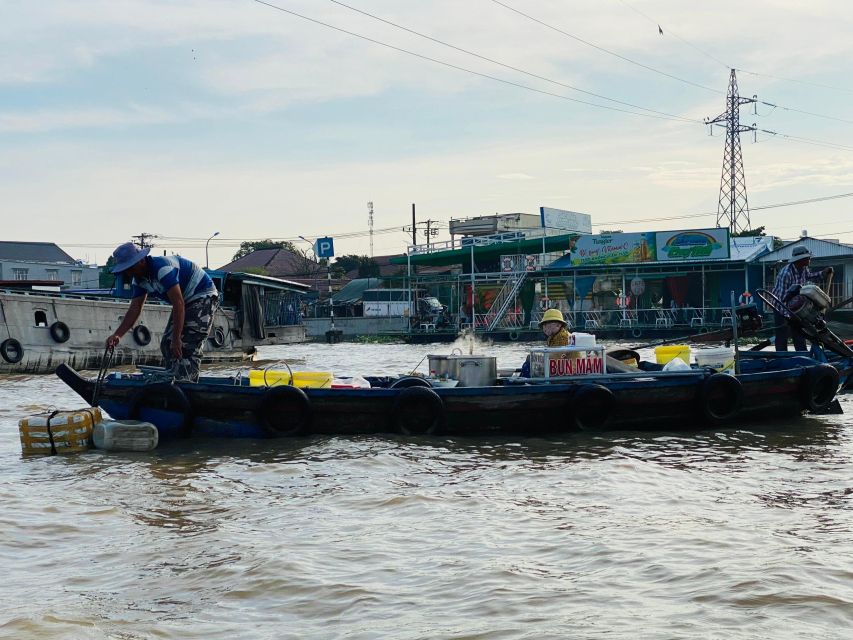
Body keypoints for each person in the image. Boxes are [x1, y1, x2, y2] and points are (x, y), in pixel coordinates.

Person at [106, 242, 219, 381]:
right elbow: (135, 308)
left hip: (202, 295)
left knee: (187, 344)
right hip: (184, 301)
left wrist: (177, 338)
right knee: (167, 343)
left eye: (130, 268)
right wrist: (118, 335)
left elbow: (178, 303)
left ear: (141, 261)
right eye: (126, 270)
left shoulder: (162, 268)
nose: (129, 273)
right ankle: (174, 378)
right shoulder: (139, 280)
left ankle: (187, 381)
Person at [771, 245, 833, 351]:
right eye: (808, 258)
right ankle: (781, 359)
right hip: (781, 308)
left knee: (799, 333)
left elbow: (809, 277)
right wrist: (791, 316)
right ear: (800, 260)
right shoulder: (786, 274)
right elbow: (782, 299)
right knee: (782, 335)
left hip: (795, 307)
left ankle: (802, 355)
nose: (810, 259)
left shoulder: (803, 268)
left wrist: (822, 274)